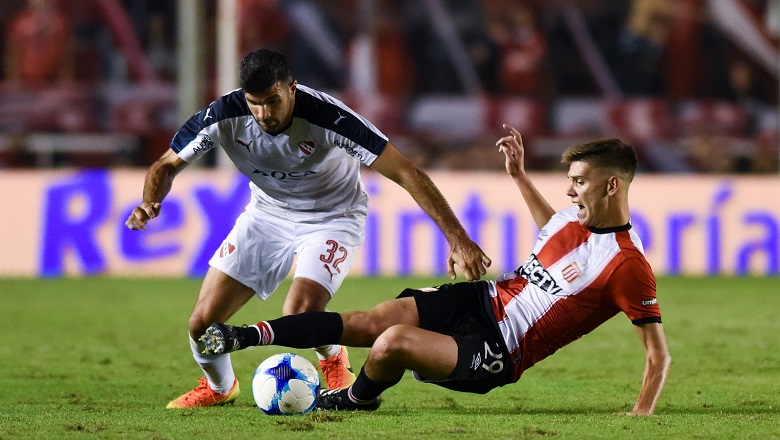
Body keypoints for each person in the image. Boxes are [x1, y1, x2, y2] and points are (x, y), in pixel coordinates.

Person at [200, 124, 672, 415]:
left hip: (499, 348)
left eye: (579, 183)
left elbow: (658, 354)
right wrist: (519, 177)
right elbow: (552, 227)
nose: (571, 193)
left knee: (391, 345)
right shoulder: (571, 218)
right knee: (370, 321)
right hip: (481, 298)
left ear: (612, 186)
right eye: (569, 183)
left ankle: (358, 398)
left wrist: (641, 414)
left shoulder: (628, 266)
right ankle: (245, 336)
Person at [125, 48, 491, 409]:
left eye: (272, 100)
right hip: (267, 215)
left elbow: (406, 172)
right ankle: (220, 387)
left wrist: (457, 238)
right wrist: (148, 201)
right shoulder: (223, 115)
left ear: (291, 89)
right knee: (202, 324)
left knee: (300, 315)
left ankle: (332, 356)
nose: (264, 114)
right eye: (255, 103)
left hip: (333, 217)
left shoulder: (331, 119)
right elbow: (165, 164)